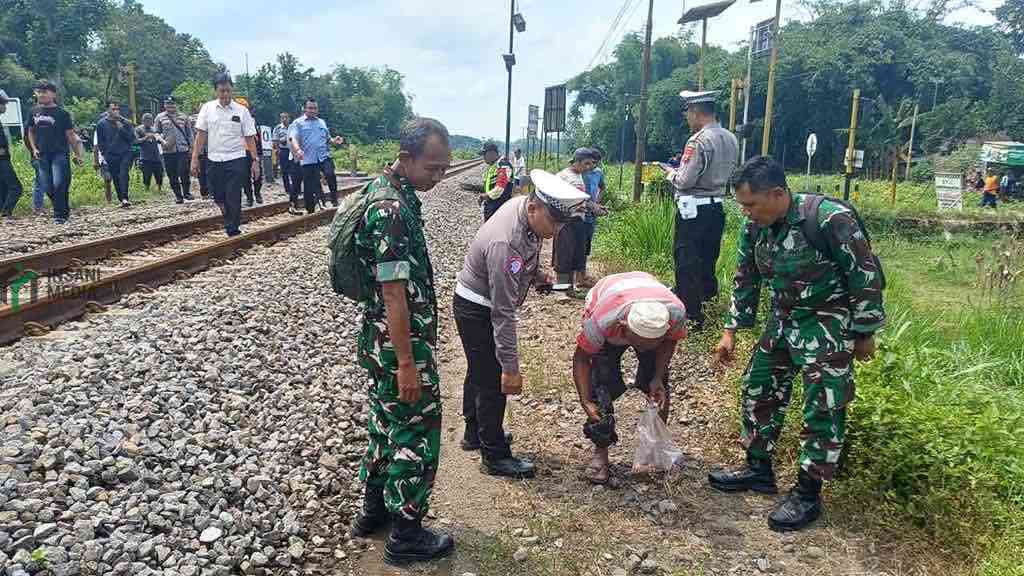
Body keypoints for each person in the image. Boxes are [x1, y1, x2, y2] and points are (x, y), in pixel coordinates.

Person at [710, 156, 885, 532]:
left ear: (777, 193)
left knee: (823, 403)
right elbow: (745, 278)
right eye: (741, 204)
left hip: (828, 321)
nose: (746, 212)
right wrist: (731, 330)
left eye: (751, 204)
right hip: (784, 318)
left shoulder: (828, 219)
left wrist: (865, 332)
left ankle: (808, 492)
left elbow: (864, 275)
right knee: (758, 387)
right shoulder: (755, 227)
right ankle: (758, 469)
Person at [348, 117, 454, 565]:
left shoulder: (389, 191)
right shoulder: (391, 209)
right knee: (416, 429)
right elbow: (393, 291)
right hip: (398, 344)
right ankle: (406, 535)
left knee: (386, 424)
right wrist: (408, 363)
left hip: (381, 342)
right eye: (432, 167)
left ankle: (374, 513)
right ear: (406, 158)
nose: (439, 176)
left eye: (444, 167)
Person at [455, 169, 589, 479]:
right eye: (554, 223)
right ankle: (494, 455)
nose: (556, 231)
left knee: (479, 367)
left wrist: (536, 275)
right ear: (533, 208)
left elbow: (527, 251)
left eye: (561, 224)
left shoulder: (522, 209)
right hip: (478, 307)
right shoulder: (506, 243)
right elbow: (503, 314)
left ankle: (475, 433)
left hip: (477, 299)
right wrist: (511, 369)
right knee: (493, 380)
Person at [571, 271, 687, 484]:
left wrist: (657, 377)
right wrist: (585, 400)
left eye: (651, 344)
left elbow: (670, 341)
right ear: (624, 330)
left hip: (644, 293)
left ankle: (653, 451)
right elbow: (581, 359)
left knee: (657, 388)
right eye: (639, 344)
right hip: (609, 295)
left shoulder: (675, 313)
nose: (641, 349)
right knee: (601, 384)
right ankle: (600, 453)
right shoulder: (602, 322)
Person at [661, 90, 739, 331]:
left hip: (692, 211)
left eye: (688, 113)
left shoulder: (698, 140)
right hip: (716, 207)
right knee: (708, 260)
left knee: (686, 262)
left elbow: (684, 180)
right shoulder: (730, 138)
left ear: (695, 112)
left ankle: (691, 318)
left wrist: (670, 173)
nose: (687, 119)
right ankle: (710, 304)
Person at [190, 73, 261, 237]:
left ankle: (232, 229)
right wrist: (194, 159)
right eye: (222, 91)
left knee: (233, 194)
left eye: (228, 91)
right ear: (216, 91)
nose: (226, 95)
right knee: (217, 194)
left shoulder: (242, 111)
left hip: (236, 158)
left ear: (232, 90)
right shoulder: (207, 108)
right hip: (214, 159)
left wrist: (255, 160)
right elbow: (200, 135)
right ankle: (228, 216)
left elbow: (250, 137)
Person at [26, 79, 84, 224]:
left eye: (44, 92)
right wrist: (33, 148)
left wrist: (77, 154)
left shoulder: (62, 114)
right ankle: (62, 208)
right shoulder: (33, 112)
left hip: (59, 153)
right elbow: (30, 131)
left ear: (53, 94)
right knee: (47, 186)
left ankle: (60, 216)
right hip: (41, 154)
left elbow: (70, 135)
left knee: (60, 183)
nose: (41, 95)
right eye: (39, 92)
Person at [289, 97, 344, 213]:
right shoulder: (298, 123)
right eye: (310, 108)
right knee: (309, 187)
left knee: (330, 174)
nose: (312, 110)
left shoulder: (321, 122)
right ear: (304, 109)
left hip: (323, 156)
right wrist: (298, 149)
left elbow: (327, 138)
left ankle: (334, 199)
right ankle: (311, 211)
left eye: (315, 108)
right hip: (308, 159)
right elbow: (292, 138)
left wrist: (334, 141)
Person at [554, 148, 597, 290]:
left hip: (579, 221)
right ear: (577, 162)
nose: (589, 167)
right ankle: (561, 288)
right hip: (565, 222)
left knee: (575, 254)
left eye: (591, 164)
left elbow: (578, 200)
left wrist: (593, 207)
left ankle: (569, 288)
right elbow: (553, 199)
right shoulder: (562, 176)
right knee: (564, 254)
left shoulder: (579, 176)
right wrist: (571, 209)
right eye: (586, 163)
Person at [94, 101, 136, 208]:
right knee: (116, 177)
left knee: (124, 173)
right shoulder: (101, 124)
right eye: (113, 109)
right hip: (111, 155)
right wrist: (105, 154)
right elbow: (100, 142)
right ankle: (121, 199)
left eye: (117, 109)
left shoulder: (125, 122)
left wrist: (121, 128)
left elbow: (132, 138)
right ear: (107, 110)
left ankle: (125, 197)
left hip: (126, 152)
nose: (116, 111)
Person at [155, 96, 195, 203]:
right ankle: (178, 195)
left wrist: (192, 147)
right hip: (168, 150)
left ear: (175, 105)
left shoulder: (183, 117)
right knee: (171, 174)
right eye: (167, 103)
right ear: (164, 105)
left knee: (183, 171)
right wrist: (163, 141)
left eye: (172, 103)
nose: (170, 106)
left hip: (182, 149)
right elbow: (156, 133)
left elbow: (189, 133)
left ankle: (186, 192)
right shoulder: (160, 117)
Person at [581, 148, 608, 282]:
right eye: (591, 162)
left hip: (592, 213)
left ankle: (583, 273)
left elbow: (602, 187)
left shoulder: (598, 173)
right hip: (579, 210)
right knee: (577, 243)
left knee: (587, 243)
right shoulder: (580, 172)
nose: (593, 165)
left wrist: (597, 203)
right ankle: (575, 276)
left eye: (596, 163)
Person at [0, 90, 24, 218]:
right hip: (2, 160)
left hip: (4, 158)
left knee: (3, 187)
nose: (5, 107)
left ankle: (4, 212)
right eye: (3, 104)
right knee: (16, 187)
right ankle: (6, 212)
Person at [478, 142, 514, 221]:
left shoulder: (504, 165)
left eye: (484, 154)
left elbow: (499, 188)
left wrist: (485, 196)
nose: (483, 158)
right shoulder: (493, 166)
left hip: (499, 208)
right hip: (492, 206)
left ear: (492, 153)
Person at [273, 112, 300, 214]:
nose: (284, 119)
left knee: (294, 170)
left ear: (289, 118)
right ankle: (287, 188)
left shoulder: (293, 127)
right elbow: (274, 140)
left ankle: (295, 188)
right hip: (283, 150)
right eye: (282, 117)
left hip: (293, 150)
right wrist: (277, 149)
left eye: (286, 117)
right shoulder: (277, 128)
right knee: (284, 171)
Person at [240, 102, 263, 207]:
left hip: (253, 151)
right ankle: (249, 197)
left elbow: (258, 139)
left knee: (258, 174)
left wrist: (259, 153)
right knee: (245, 176)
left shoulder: (253, 122)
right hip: (241, 152)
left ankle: (257, 193)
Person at [135, 113, 165, 194]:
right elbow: (136, 141)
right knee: (146, 175)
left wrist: (160, 139)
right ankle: (146, 189)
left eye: (150, 120)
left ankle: (159, 188)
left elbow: (159, 140)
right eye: (147, 120)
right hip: (145, 156)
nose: (148, 122)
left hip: (156, 155)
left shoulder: (154, 129)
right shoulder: (139, 129)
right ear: (143, 120)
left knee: (159, 173)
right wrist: (146, 137)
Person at [92, 121, 114, 204]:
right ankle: (109, 200)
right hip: (104, 158)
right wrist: (96, 161)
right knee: (107, 179)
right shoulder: (98, 131)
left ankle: (122, 197)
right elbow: (95, 146)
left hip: (116, 157)